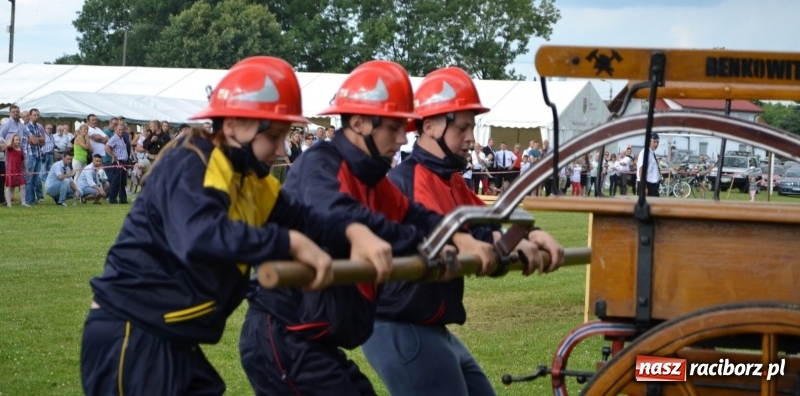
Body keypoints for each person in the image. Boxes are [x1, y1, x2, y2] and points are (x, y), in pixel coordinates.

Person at [80, 57, 333, 396]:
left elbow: (308, 223)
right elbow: (202, 236)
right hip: (132, 337)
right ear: (234, 125)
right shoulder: (193, 161)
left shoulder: (250, 180)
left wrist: (364, 235)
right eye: (274, 136)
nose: (281, 148)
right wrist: (290, 243)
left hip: (171, 341)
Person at [239, 60, 492, 396]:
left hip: (315, 339)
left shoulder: (371, 178)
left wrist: (460, 239)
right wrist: (401, 240)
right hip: (283, 336)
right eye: (393, 127)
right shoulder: (321, 163)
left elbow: (413, 216)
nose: (402, 137)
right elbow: (333, 210)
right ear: (358, 123)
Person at [362, 66, 564, 396]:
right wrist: (502, 241)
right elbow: (451, 235)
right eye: (462, 128)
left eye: (472, 127)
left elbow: (488, 221)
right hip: (400, 326)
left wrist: (531, 234)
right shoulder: (411, 180)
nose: (471, 138)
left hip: (429, 324)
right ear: (429, 126)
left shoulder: (451, 180)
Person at [4, 135, 28, 207]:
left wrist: (26, 169)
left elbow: (23, 160)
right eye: (16, 140)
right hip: (10, 170)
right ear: (13, 141)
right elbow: (8, 145)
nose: (18, 141)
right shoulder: (10, 148)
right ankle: (9, 204)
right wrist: (12, 136)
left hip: (19, 170)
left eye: (19, 140)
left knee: (23, 185)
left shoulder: (21, 149)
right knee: (9, 186)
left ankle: (23, 203)